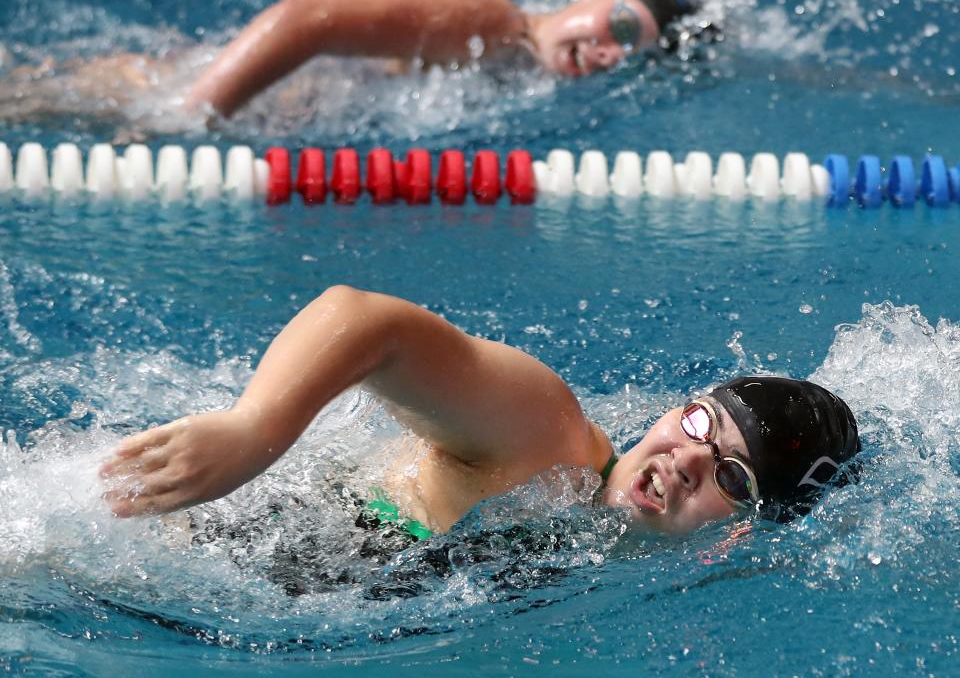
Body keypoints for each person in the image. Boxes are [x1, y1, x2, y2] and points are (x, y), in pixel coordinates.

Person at [100, 286, 861, 543]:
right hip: (166, 524)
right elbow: (367, 321)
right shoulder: (547, 436)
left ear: (744, 535)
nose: (688, 460)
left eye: (730, 474)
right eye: (700, 424)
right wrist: (253, 429)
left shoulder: (595, 550)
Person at [0, 0, 698, 126]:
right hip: (199, 95)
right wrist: (191, 113)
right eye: (621, 26)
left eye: (627, 54)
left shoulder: (517, 66)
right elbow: (308, 16)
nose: (609, 51)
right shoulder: (488, 21)